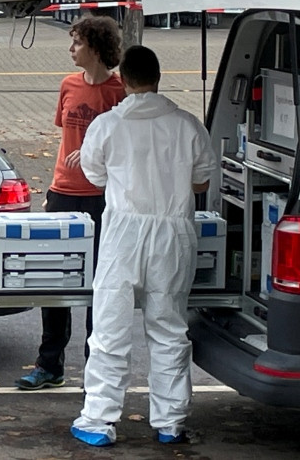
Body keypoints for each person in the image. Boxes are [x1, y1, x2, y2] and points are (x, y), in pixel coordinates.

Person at [70, 45, 215, 447]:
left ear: (125, 80)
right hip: (173, 231)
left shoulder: (107, 124)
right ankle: (170, 421)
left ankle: (98, 420)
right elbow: (202, 182)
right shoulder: (188, 125)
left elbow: (96, 178)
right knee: (169, 326)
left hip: (124, 233)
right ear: (158, 77)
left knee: (110, 328)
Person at [16, 15, 125, 391]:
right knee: (54, 281)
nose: (70, 49)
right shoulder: (68, 84)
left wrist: (100, 159)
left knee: (99, 284)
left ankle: (95, 368)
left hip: (101, 197)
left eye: (76, 43)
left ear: (94, 48)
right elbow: (66, 132)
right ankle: (50, 364)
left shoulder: (118, 91)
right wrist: (53, 186)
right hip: (64, 192)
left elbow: (125, 146)